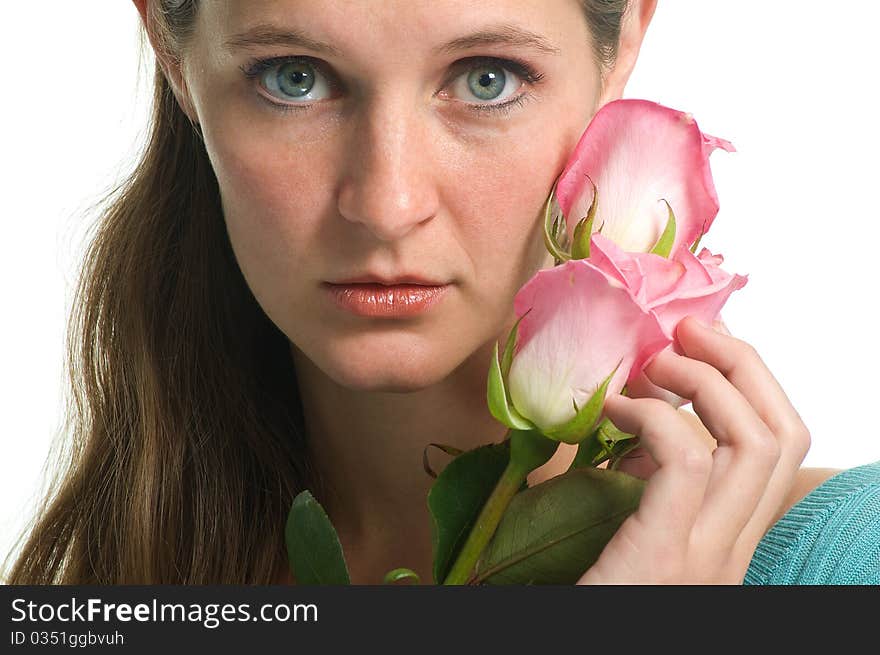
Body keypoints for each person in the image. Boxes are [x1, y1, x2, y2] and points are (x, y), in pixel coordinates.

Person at [4, 0, 879, 586]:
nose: (387, 205)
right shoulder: (95, 588)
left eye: (486, 78)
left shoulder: (848, 563)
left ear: (624, 44)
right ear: (169, 46)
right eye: (294, 78)